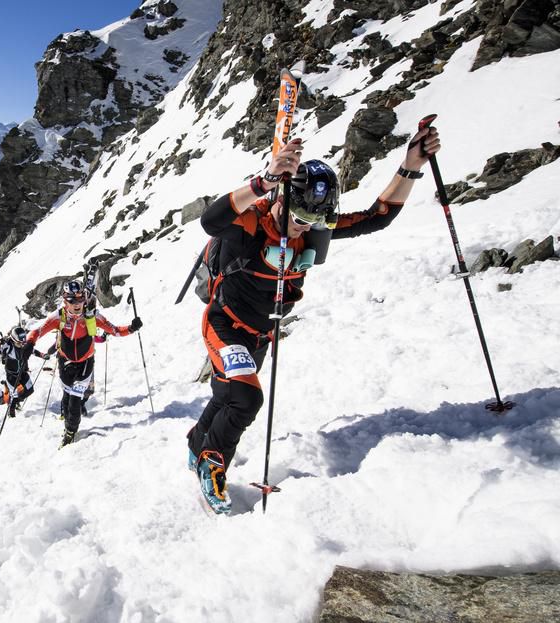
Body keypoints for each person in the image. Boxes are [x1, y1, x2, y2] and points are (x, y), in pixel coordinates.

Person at [187, 127, 442, 514]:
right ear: (282, 199)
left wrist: (410, 166)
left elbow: (377, 217)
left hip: (259, 333)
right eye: (301, 214)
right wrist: (263, 182)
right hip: (224, 324)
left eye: (316, 218)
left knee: (227, 395)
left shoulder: (313, 229)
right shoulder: (253, 223)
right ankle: (212, 465)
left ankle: (196, 445)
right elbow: (211, 221)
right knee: (246, 398)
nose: (305, 225)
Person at [26, 280, 141, 447]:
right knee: (66, 396)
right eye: (72, 300)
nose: (77, 304)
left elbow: (114, 330)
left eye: (80, 299)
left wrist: (131, 328)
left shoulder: (92, 316)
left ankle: (70, 432)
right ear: (65, 300)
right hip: (65, 361)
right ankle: (66, 417)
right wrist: (29, 344)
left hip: (86, 363)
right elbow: (37, 331)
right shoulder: (59, 316)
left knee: (74, 401)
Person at [0, 327, 50, 418]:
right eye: (19, 343)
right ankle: (11, 412)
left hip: (22, 372)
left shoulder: (24, 345)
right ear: (13, 340)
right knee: (14, 396)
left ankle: (14, 399)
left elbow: (32, 351)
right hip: (12, 375)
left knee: (29, 390)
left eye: (23, 342)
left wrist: (42, 355)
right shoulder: (8, 346)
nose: (22, 344)